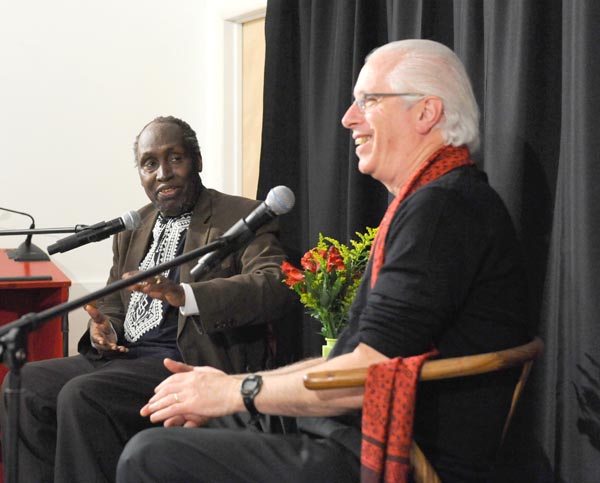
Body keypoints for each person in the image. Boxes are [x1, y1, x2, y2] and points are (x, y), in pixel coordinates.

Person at [116, 40, 531, 483]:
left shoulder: (443, 210)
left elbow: (359, 376)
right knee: (176, 417)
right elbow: (354, 359)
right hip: (356, 428)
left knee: (149, 455)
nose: (348, 118)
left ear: (426, 112)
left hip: (396, 451)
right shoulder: (435, 201)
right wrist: (220, 390)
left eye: (368, 101)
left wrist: (235, 390)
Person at [0, 116, 292, 483]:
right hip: (124, 360)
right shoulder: (134, 226)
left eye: (175, 159)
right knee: (26, 384)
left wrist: (184, 294)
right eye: (149, 164)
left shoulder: (242, 216)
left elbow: (274, 284)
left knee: (83, 395)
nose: (163, 173)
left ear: (197, 161)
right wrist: (104, 328)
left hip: (186, 362)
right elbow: (113, 303)